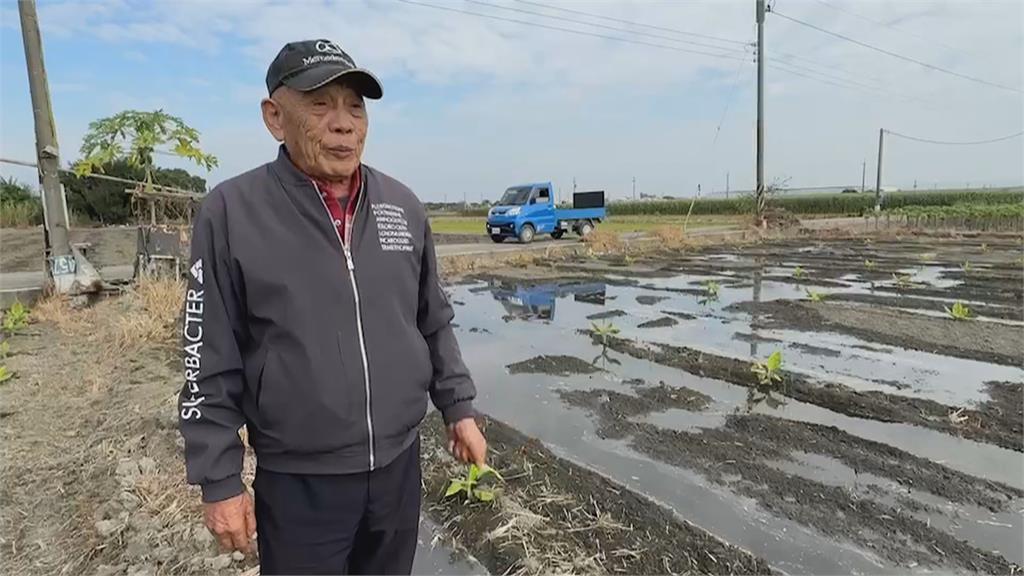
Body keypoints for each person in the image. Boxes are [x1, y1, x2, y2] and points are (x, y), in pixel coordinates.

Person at [178, 38, 487, 575]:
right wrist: (219, 479)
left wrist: (457, 406)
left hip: (397, 470)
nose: (344, 123)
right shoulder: (232, 213)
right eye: (320, 104)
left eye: (355, 105)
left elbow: (432, 318)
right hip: (300, 483)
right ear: (275, 117)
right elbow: (208, 354)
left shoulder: (403, 207)